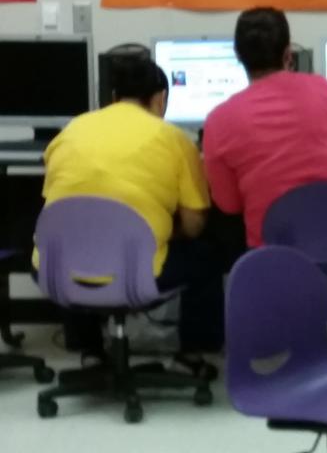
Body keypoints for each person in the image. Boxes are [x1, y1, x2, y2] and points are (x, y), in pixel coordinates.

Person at [203, 7, 327, 371]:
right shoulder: (324, 90)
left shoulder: (219, 121)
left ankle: (285, 346)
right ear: (288, 53)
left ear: (238, 58)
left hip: (278, 253)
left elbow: (227, 204)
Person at [40, 56, 222, 373]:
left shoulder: (69, 132)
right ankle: (190, 356)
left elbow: (58, 210)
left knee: (75, 243)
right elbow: (193, 226)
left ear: (112, 98)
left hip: (59, 272)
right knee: (205, 254)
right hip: (136, 273)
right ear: (160, 98)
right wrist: (158, 231)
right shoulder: (175, 140)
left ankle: (91, 352)